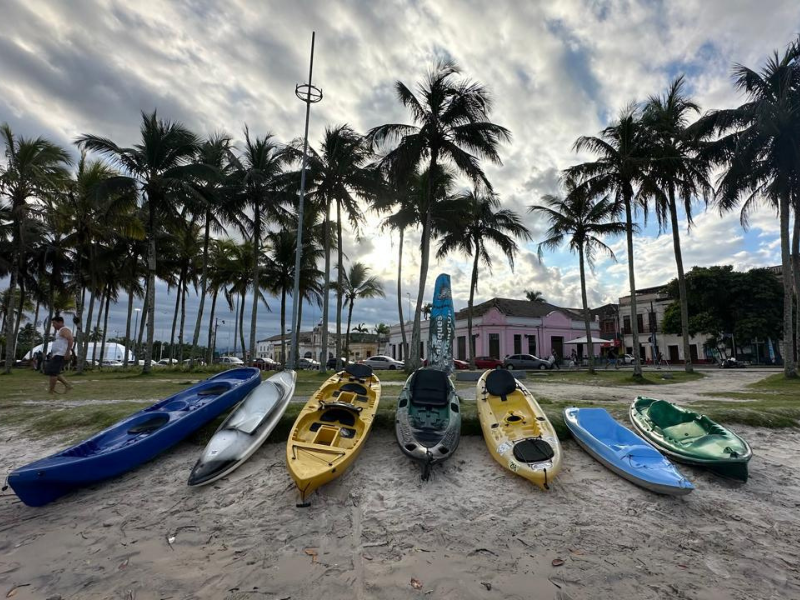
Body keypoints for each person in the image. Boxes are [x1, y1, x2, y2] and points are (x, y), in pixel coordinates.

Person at [45, 316, 73, 394]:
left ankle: (51, 391)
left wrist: (67, 352)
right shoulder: (60, 331)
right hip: (58, 354)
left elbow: (70, 339)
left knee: (53, 372)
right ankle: (67, 385)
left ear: (60, 322)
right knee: (52, 371)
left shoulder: (64, 330)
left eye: (54, 323)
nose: (53, 325)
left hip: (61, 354)